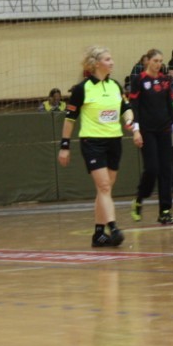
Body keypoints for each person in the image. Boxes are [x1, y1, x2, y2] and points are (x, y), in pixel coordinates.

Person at [58, 47, 134, 248]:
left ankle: (98, 234)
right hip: (92, 142)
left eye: (111, 58)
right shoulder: (82, 89)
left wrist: (129, 121)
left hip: (114, 141)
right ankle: (113, 228)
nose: (112, 62)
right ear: (96, 63)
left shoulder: (115, 86)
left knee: (105, 189)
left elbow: (126, 108)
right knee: (104, 186)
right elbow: (70, 119)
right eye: (108, 59)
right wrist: (64, 146)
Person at [129, 49, 173, 225]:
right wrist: (136, 130)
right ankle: (139, 198)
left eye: (160, 61)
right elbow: (134, 107)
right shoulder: (139, 80)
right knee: (152, 169)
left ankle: (165, 211)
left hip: (165, 130)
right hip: (147, 131)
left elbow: (170, 106)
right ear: (147, 61)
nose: (158, 64)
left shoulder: (166, 80)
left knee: (166, 170)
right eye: (155, 61)